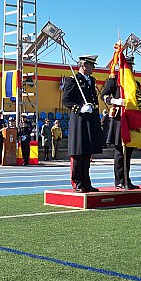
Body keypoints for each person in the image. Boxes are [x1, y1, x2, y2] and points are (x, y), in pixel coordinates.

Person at [62, 54, 103, 192]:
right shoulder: (73, 80)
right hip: (79, 120)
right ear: (84, 65)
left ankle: (86, 181)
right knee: (78, 152)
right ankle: (77, 182)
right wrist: (80, 108)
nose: (93, 68)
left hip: (90, 120)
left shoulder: (91, 80)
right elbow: (66, 100)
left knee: (87, 152)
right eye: (91, 65)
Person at [101, 53, 139, 189]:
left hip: (132, 121)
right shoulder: (114, 81)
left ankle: (126, 178)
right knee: (119, 152)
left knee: (128, 151)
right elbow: (103, 96)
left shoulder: (135, 83)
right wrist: (115, 101)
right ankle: (119, 181)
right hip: (119, 120)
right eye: (127, 66)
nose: (130, 69)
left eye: (131, 67)